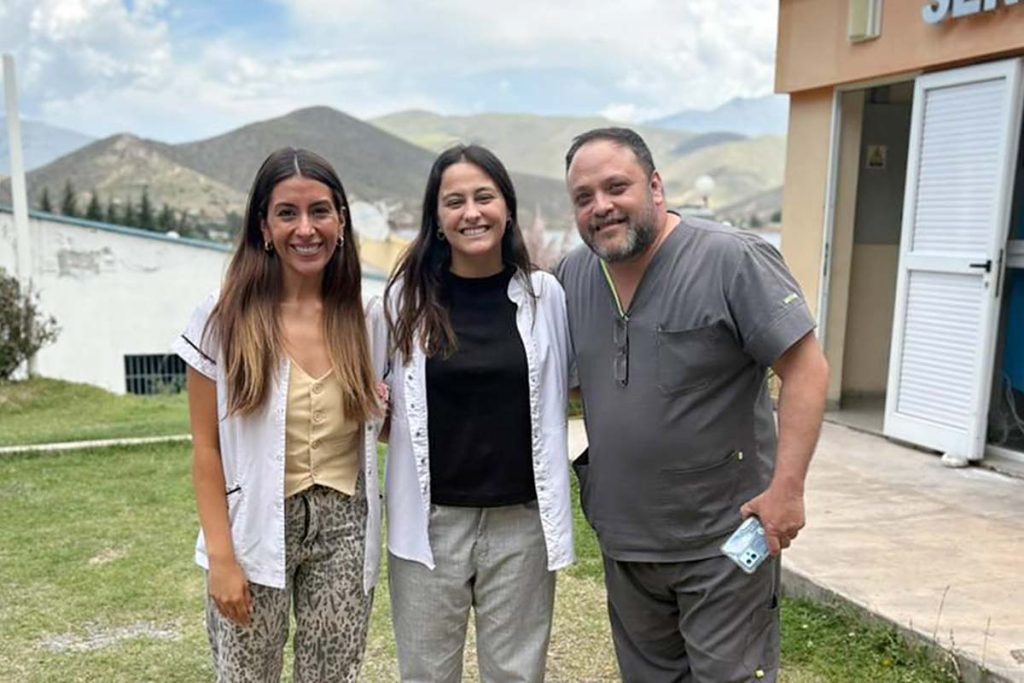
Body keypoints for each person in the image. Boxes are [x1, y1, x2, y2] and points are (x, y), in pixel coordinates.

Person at [557, 128, 829, 683]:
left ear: (656, 187)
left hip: (723, 540)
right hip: (626, 540)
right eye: (584, 197)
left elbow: (806, 370)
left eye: (616, 187)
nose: (601, 206)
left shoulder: (731, 259)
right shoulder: (573, 276)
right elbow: (582, 384)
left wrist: (788, 490)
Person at [172, 148, 387, 682]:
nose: (306, 229)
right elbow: (206, 448)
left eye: (320, 211)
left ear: (341, 221)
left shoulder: (367, 316)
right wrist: (221, 558)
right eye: (287, 213)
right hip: (254, 526)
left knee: (333, 674)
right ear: (264, 227)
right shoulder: (222, 317)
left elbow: (387, 424)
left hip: (344, 526)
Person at [383, 143, 574, 683]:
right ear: (437, 219)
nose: (472, 213)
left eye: (484, 197)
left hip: (522, 524)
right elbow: (379, 403)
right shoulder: (402, 301)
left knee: (516, 674)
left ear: (507, 208)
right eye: (455, 201)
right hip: (429, 524)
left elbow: (569, 387)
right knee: (426, 674)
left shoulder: (545, 297)